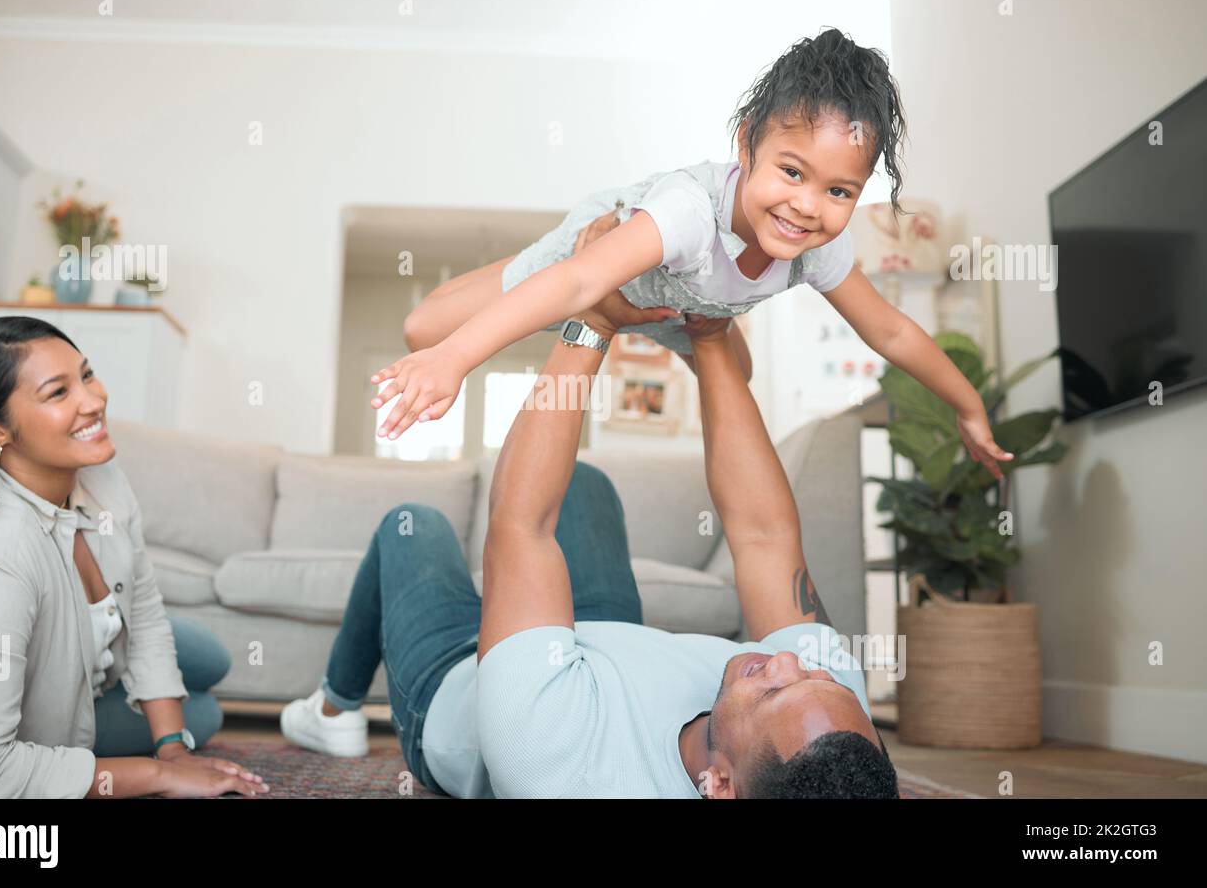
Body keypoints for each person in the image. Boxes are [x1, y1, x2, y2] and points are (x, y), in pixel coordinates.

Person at [282, 288, 898, 798]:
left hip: (455, 688)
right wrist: (709, 336)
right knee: (585, 481)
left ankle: (333, 709)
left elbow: (522, 525)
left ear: (718, 785)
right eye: (818, 676)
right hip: (593, 655)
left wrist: (593, 318)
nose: (790, 661)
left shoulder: (562, 764)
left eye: (774, 689)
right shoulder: (836, 731)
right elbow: (766, 536)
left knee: (411, 523)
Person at [365, 28, 1014, 493]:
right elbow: (582, 280)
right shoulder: (688, 209)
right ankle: (522, 264)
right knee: (425, 331)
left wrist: (967, 405)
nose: (808, 206)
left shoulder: (820, 247)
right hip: (601, 259)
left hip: (683, 309)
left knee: (739, 368)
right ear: (746, 146)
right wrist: (452, 360)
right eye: (792, 171)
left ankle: (688, 312)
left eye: (838, 190)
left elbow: (892, 331)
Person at [0, 317, 268, 799]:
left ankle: (133, 699)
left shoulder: (99, 473)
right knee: (206, 713)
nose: (94, 401)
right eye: (59, 393)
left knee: (208, 662)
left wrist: (173, 748)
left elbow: (142, 608)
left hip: (92, 655)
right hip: (10, 695)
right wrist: (159, 775)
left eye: (87, 374)